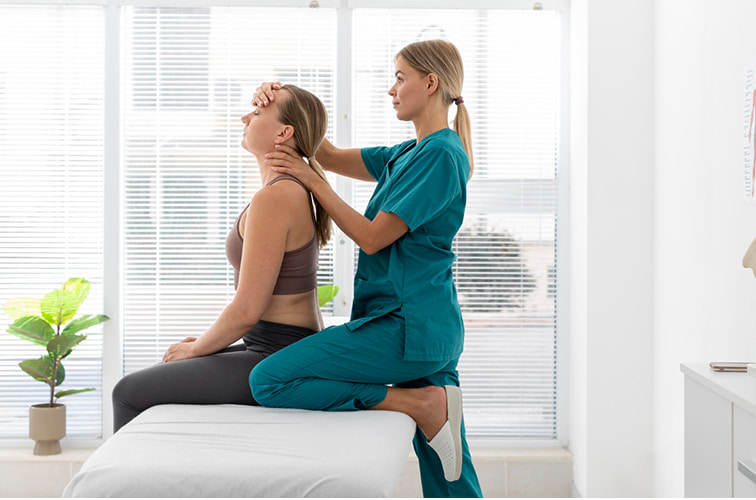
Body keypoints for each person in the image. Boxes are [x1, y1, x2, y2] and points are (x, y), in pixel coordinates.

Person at [248, 39, 482, 497]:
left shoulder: (440, 155)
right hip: (423, 326)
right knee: (448, 469)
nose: (391, 89)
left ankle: (417, 402)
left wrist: (314, 184)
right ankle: (426, 406)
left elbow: (374, 235)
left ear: (430, 83)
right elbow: (328, 154)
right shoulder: (404, 155)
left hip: (408, 326)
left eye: (399, 77)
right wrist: (275, 97)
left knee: (269, 380)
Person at [111, 84, 333, 432]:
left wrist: (199, 348)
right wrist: (202, 347)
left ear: (284, 133)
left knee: (127, 393)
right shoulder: (284, 191)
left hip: (276, 353)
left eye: (257, 113)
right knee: (165, 366)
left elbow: (247, 311)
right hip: (273, 344)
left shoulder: (277, 197)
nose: (245, 117)